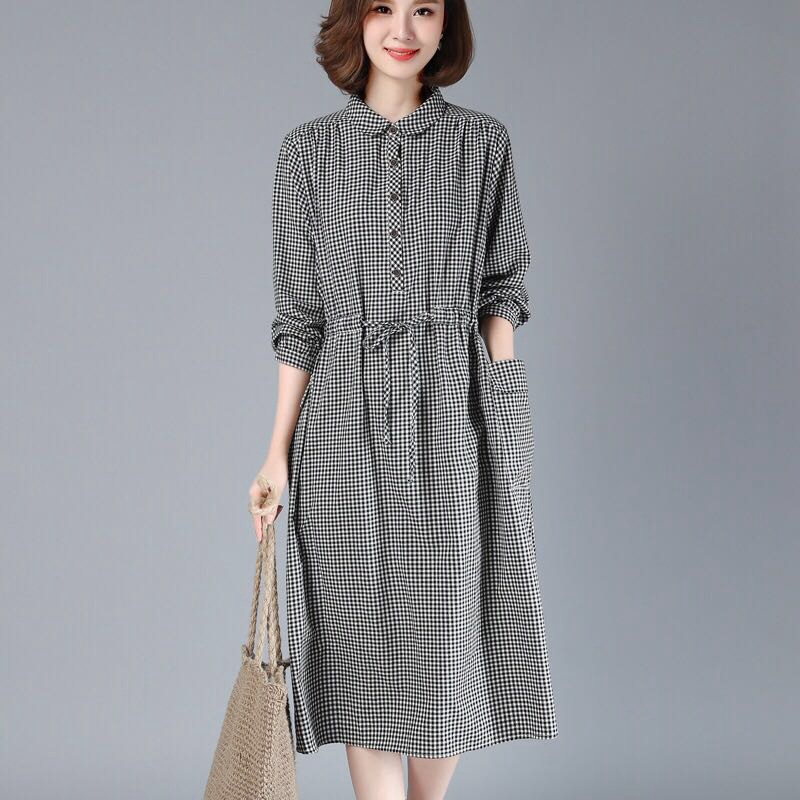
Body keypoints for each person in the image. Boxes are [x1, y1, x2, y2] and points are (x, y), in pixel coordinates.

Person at [249, 1, 558, 797]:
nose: (403, 30)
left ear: (446, 25)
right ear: (354, 21)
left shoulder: (483, 144)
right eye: (383, 7)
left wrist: (502, 412)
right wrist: (276, 455)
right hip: (341, 426)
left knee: (446, 641)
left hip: (454, 411)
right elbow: (300, 318)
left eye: (424, 9)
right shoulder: (306, 153)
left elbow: (503, 287)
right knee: (362, 650)